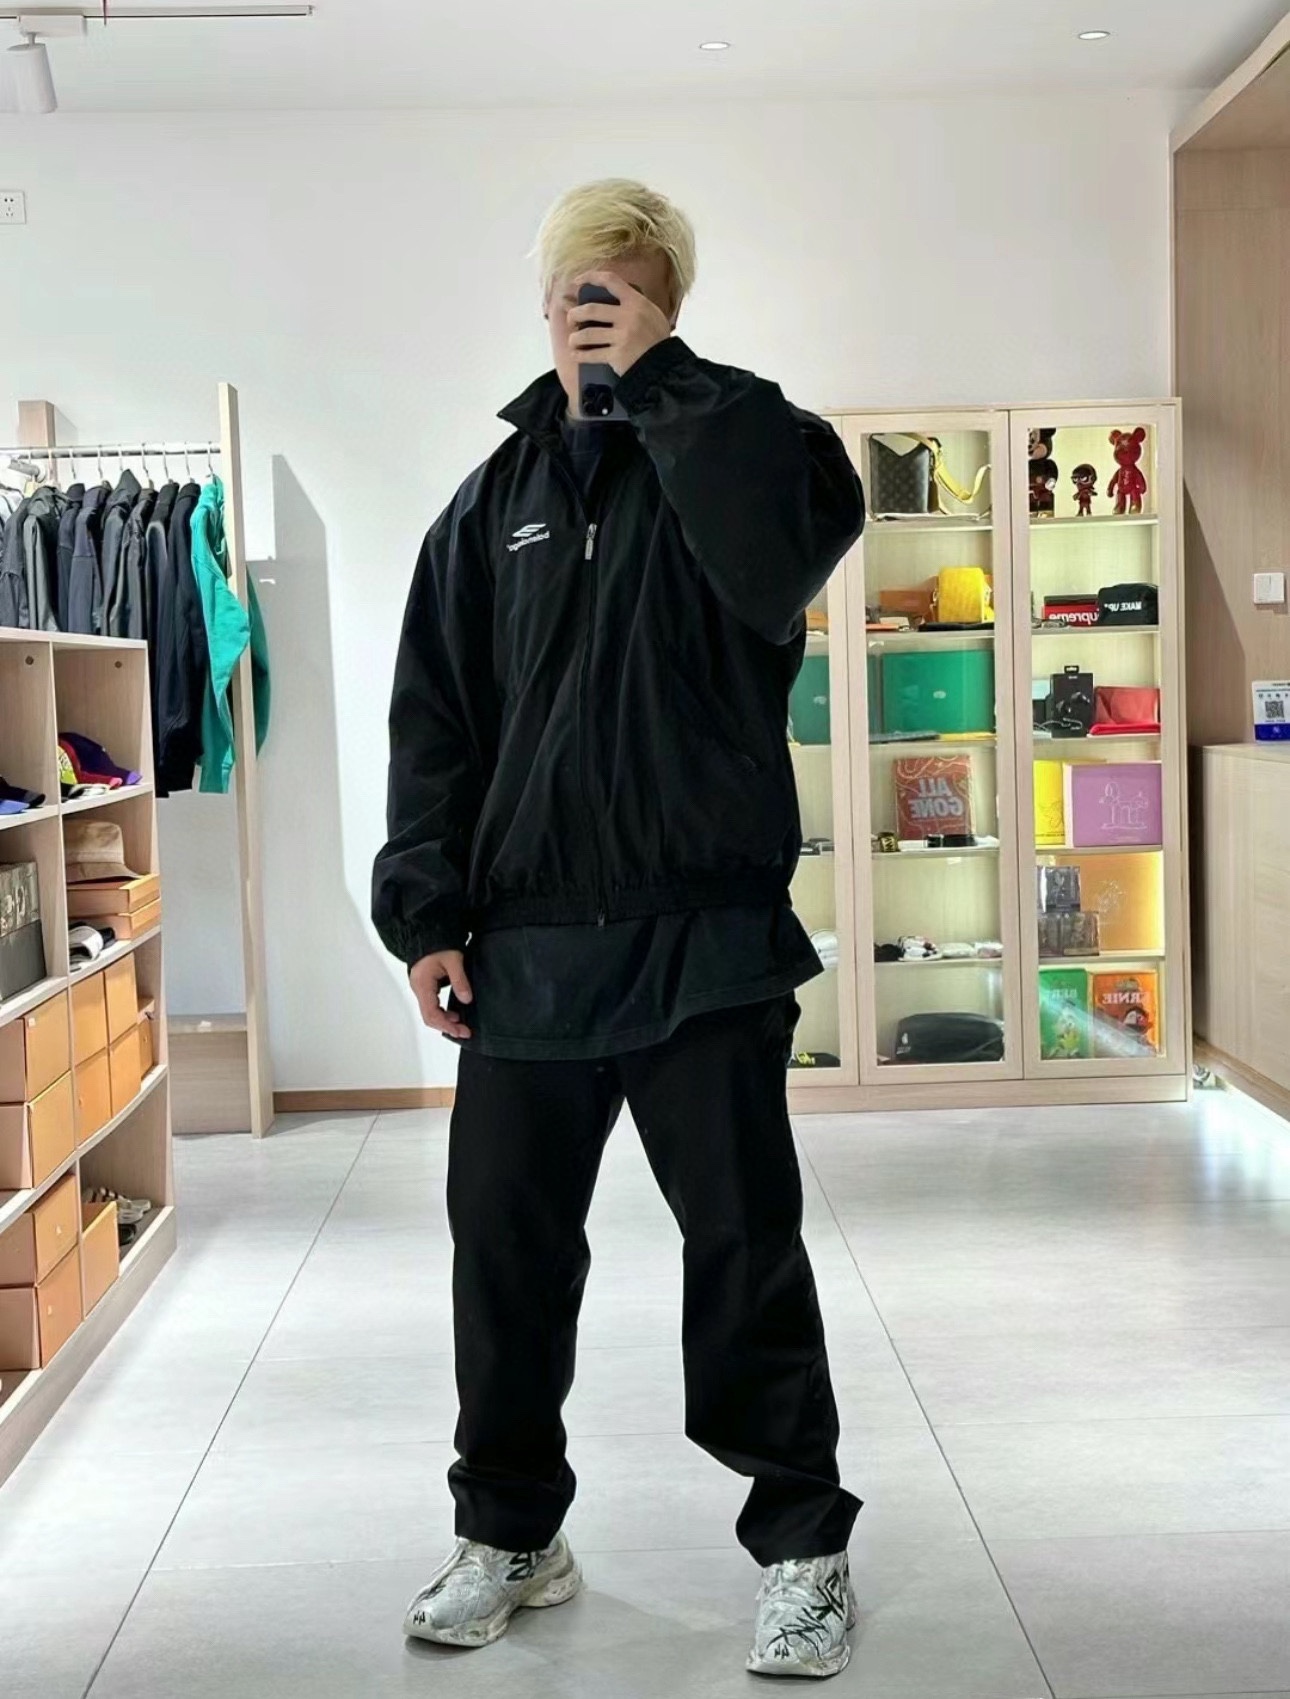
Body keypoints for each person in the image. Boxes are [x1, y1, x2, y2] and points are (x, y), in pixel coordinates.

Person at [372, 178, 866, 1680]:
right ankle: (512, 1533)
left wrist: (666, 387)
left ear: (670, 303)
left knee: (744, 1250)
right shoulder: (490, 506)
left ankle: (803, 1551)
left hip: (704, 941)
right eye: (578, 290)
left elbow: (781, 564)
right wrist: (427, 914)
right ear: (541, 305)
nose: (597, 312)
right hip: (525, 953)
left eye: (628, 290)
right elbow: (437, 724)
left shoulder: (753, 448)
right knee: (502, 1256)